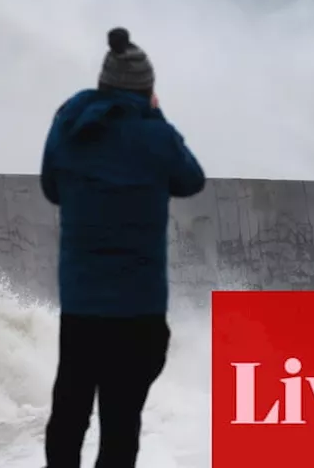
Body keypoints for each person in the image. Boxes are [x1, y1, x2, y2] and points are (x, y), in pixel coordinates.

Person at [40, 27, 206, 468]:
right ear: (147, 90)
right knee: (120, 423)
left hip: (82, 304)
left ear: (104, 83)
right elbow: (191, 180)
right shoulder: (155, 136)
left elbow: (51, 189)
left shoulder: (70, 126)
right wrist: (155, 116)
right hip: (138, 307)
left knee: (70, 414)